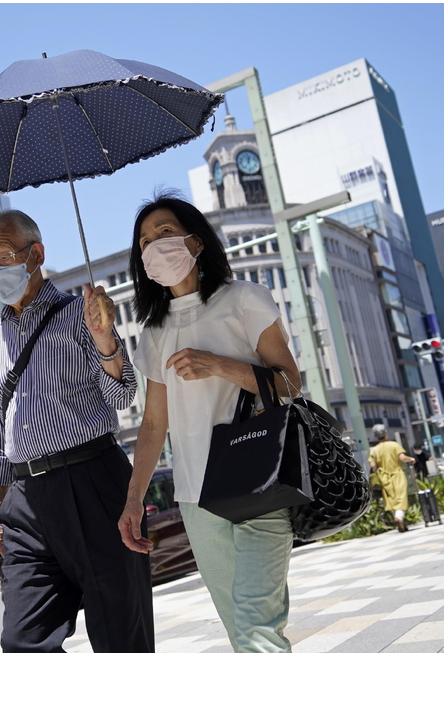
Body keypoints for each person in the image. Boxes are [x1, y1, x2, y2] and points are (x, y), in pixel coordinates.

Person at [118, 193, 302, 653]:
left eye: (164, 233)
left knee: (259, 626)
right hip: (196, 497)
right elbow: (153, 425)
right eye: (144, 241)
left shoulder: (243, 300)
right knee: (241, 631)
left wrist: (218, 364)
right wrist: (134, 499)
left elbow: (289, 384)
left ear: (196, 242)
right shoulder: (154, 332)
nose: (154, 246)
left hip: (259, 479)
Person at [0, 209, 152, 653]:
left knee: (120, 639)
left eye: (3, 257)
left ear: (35, 254)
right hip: (26, 498)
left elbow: (123, 394)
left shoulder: (81, 314)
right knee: (22, 643)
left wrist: (106, 340)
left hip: (94, 481)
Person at [369, 425, 418, 532]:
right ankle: (399, 518)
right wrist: (411, 459)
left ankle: (400, 523)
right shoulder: (394, 445)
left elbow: (373, 465)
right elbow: (402, 458)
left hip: (384, 477)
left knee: (390, 499)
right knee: (401, 497)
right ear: (386, 434)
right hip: (397, 475)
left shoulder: (375, 450)